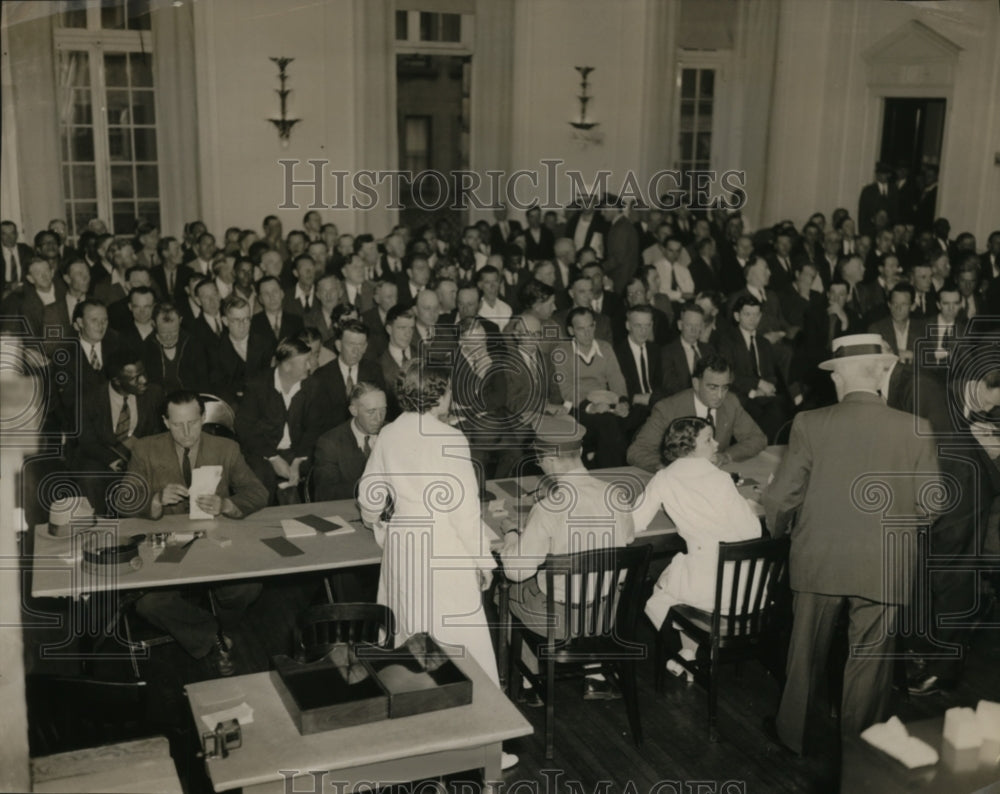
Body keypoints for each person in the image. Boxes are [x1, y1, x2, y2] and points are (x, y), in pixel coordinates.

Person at [762, 334, 939, 755]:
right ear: (880, 376)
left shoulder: (809, 423)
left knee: (804, 655)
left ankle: (794, 735)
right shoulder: (916, 427)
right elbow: (930, 505)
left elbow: (779, 498)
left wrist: (786, 532)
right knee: (870, 664)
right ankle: (859, 751)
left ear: (840, 378)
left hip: (818, 557)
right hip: (884, 562)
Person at [357, 360, 517, 765]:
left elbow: (370, 496)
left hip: (403, 549)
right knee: (464, 646)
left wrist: (378, 526)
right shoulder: (451, 438)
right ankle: (484, 745)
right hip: (443, 549)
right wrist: (483, 560)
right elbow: (464, 512)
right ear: (441, 395)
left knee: (411, 638)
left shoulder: (388, 434)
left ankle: (419, 738)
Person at [123, 391, 269, 676]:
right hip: (168, 543)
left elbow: (258, 492)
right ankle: (213, 637)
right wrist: (154, 499)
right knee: (149, 603)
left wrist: (227, 503)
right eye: (177, 425)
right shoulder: (145, 449)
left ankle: (220, 627)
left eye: (193, 422)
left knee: (247, 586)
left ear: (203, 418)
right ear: (165, 422)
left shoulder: (226, 448)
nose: (187, 432)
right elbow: (124, 500)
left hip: (214, 539)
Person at [497, 415, 635, 701]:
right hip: (608, 614)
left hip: (562, 622)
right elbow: (628, 541)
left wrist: (511, 534)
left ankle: (530, 684)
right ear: (581, 452)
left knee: (504, 592)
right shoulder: (616, 494)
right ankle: (595, 676)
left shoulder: (548, 508)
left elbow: (516, 572)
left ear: (546, 458)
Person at [636, 416, 761, 675]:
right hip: (745, 589)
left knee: (665, 589)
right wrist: (748, 507)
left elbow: (636, 521)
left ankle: (690, 651)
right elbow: (752, 530)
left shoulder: (664, 478)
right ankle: (689, 652)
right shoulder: (721, 479)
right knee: (680, 584)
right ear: (688, 445)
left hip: (703, 587)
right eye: (708, 439)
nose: (716, 444)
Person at [627, 354, 766, 472]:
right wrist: (673, 468)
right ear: (696, 384)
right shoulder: (668, 408)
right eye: (713, 388)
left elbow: (758, 438)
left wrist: (726, 456)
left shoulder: (731, 403)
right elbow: (636, 452)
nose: (720, 395)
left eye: (724, 388)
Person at [313, 382, 387, 501]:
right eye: (371, 412)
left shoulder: (392, 433)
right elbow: (324, 494)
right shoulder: (330, 443)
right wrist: (370, 487)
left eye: (383, 410)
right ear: (354, 410)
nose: (379, 418)